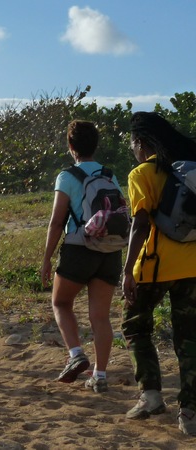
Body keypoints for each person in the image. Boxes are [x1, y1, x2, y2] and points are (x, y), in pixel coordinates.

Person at [122, 111, 196, 435]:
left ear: (140, 143)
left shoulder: (142, 173)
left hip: (153, 267)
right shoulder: (188, 170)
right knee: (189, 339)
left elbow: (139, 225)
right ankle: (190, 413)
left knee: (135, 326)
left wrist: (127, 271)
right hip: (193, 268)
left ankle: (151, 395)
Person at [40, 120, 122, 393]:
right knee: (100, 316)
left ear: (71, 146)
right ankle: (99, 375)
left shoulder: (67, 176)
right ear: (96, 145)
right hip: (109, 250)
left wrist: (46, 258)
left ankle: (76, 353)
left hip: (79, 249)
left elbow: (56, 221)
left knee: (61, 302)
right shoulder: (110, 175)